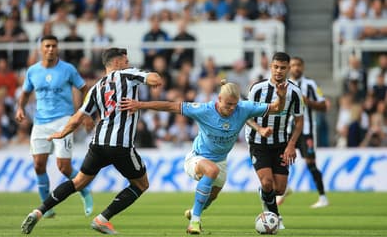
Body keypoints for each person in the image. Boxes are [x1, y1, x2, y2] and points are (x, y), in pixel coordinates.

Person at [20, 47, 162, 235]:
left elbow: (78, 117)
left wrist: (62, 133)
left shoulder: (96, 87)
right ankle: (102, 219)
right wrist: (149, 77)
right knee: (141, 184)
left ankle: (38, 211)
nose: (128, 63)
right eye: (125, 60)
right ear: (117, 63)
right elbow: (156, 80)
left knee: (78, 182)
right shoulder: (127, 74)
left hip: (97, 144)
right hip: (120, 145)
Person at [118, 79, 288, 234]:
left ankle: (193, 211)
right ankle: (195, 222)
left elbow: (276, 108)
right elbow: (170, 106)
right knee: (211, 171)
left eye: (234, 105)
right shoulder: (203, 110)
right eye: (228, 104)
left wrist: (281, 96)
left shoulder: (243, 108)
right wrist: (140, 104)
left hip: (220, 161)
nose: (231, 108)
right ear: (219, 99)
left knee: (212, 196)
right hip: (196, 158)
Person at [15, 35, 93, 219]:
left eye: (54, 46)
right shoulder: (32, 71)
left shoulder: (68, 69)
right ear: (41, 48)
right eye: (47, 46)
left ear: (57, 48)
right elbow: (25, 93)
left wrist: (86, 113)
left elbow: (85, 90)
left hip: (63, 121)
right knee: (38, 165)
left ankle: (85, 191)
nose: (51, 49)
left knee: (64, 167)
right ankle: (46, 207)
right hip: (40, 123)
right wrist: (20, 108)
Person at [245, 52, 304, 230]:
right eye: (276, 67)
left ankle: (265, 196)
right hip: (258, 143)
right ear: (271, 67)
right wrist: (260, 129)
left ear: (288, 69)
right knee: (267, 183)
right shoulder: (257, 88)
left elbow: (299, 120)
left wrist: (292, 145)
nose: (279, 71)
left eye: (283, 68)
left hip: (281, 144)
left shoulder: (294, 92)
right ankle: (275, 217)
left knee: (279, 189)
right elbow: (246, 115)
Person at [276, 56, 329, 208]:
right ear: (288, 68)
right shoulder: (283, 85)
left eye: (298, 65)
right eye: (292, 65)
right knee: (282, 160)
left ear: (303, 67)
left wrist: (308, 101)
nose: (296, 68)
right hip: (287, 130)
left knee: (310, 163)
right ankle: (283, 189)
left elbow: (324, 106)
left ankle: (323, 197)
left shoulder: (310, 84)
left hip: (306, 131)